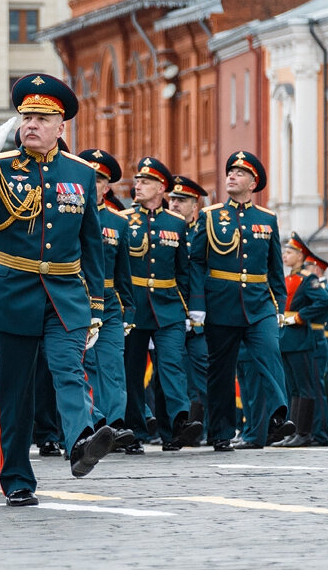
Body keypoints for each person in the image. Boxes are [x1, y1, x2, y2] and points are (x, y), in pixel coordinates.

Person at [0, 74, 114, 507]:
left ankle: (80, 441)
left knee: (68, 369)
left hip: (65, 293)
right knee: (14, 394)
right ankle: (17, 479)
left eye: (42, 118)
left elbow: (91, 243)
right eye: (26, 117)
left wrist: (96, 305)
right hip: (11, 291)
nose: (31, 124)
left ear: (61, 126)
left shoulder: (81, 173)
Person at [188, 151, 293, 452]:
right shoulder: (211, 216)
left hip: (259, 304)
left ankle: (278, 417)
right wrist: (198, 304)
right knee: (220, 371)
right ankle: (220, 432)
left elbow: (275, 269)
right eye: (230, 171)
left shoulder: (267, 218)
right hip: (221, 304)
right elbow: (196, 261)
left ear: (253, 182)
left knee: (270, 353)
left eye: (239, 173)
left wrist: (280, 306)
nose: (231, 176)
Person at [121, 158, 202, 453]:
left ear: (160, 188)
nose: (137, 186)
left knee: (171, 366)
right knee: (132, 371)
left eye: (144, 182)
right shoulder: (124, 219)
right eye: (138, 181)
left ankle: (176, 426)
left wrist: (189, 308)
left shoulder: (177, 224)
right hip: (134, 307)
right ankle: (134, 431)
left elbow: (184, 272)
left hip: (168, 307)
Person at [78, 149, 134, 447]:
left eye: (99, 180)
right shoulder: (68, 215)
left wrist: (130, 311)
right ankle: (90, 425)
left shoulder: (119, 223)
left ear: (107, 186)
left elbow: (124, 272)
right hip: (76, 297)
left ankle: (115, 425)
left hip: (110, 301)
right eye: (90, 178)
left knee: (112, 364)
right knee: (82, 366)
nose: (94, 184)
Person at [274, 233, 328, 447]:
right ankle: (294, 431)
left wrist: (301, 316)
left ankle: (304, 432)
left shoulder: (310, 279)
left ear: (300, 256)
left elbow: (324, 302)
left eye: (289, 252)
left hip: (300, 337)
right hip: (287, 337)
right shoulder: (288, 278)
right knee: (294, 388)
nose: (285, 255)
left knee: (306, 387)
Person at [168, 175, 210, 444]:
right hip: (168, 312)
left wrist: (198, 310)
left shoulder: (200, 233)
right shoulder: (163, 231)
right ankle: (181, 430)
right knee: (173, 376)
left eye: (181, 200)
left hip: (199, 317)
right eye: (172, 198)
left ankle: (209, 428)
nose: (174, 204)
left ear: (195, 205)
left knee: (203, 375)